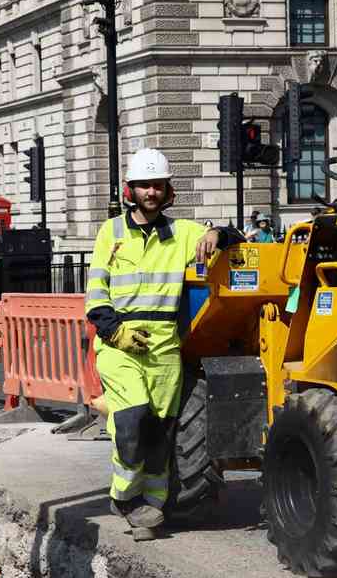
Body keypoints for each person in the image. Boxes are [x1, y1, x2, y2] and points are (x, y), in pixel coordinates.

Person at [84, 148, 244, 539]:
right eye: (143, 186)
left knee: (161, 431)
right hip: (120, 343)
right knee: (133, 417)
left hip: (164, 348)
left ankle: (151, 510)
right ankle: (124, 497)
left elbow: (235, 235)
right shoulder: (112, 233)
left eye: (157, 185)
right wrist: (114, 331)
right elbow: (96, 293)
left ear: (167, 190)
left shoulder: (184, 232)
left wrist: (215, 233)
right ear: (130, 190)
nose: (150, 192)